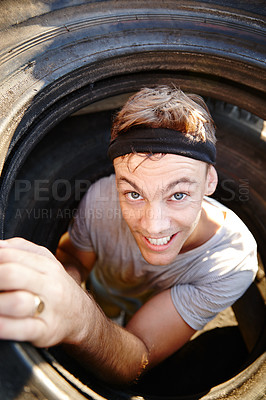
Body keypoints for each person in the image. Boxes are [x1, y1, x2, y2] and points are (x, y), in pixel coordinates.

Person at [0, 86, 258, 386]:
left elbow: (139, 354)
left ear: (209, 180)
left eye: (178, 194)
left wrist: (80, 316)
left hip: (129, 318)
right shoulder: (100, 197)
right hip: (99, 295)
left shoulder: (232, 262)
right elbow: (73, 256)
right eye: (134, 193)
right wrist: (67, 287)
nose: (153, 225)